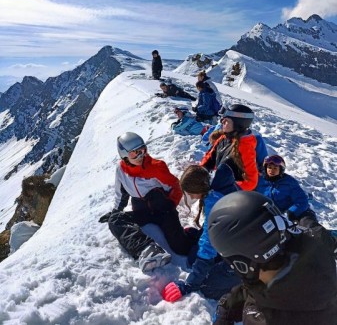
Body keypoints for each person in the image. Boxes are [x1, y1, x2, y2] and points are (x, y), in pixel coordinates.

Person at [208, 190, 337, 325]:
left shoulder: (265, 319)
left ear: (243, 265)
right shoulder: (312, 243)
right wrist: (229, 305)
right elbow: (260, 287)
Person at [101, 132, 197, 272]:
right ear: (124, 155)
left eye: (143, 150)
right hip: (142, 210)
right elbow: (121, 193)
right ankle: (147, 249)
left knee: (180, 248)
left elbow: (175, 186)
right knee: (115, 220)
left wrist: (170, 204)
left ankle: (194, 235)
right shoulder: (121, 169)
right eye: (135, 153)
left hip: (162, 210)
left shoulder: (156, 167)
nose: (141, 156)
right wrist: (116, 211)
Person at [162, 165, 241, 302]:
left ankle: (245, 289)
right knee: (193, 257)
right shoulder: (221, 188)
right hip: (237, 242)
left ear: (199, 189)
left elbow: (208, 246)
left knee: (206, 287)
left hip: (243, 256)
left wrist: (190, 284)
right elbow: (217, 224)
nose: (191, 196)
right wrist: (199, 233)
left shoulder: (215, 200)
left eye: (191, 193)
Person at [201, 104, 268, 191]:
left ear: (238, 125)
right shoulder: (223, 138)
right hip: (219, 186)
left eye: (226, 121)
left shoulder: (245, 147)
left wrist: (228, 188)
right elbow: (210, 157)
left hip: (234, 196)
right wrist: (201, 170)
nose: (222, 123)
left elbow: (251, 182)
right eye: (222, 120)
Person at [256, 154, 316, 222]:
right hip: (273, 217)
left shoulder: (289, 182)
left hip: (297, 214)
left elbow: (302, 201)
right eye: (269, 167)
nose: (271, 170)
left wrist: (291, 212)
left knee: (308, 226)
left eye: (275, 168)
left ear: (281, 170)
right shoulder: (260, 182)